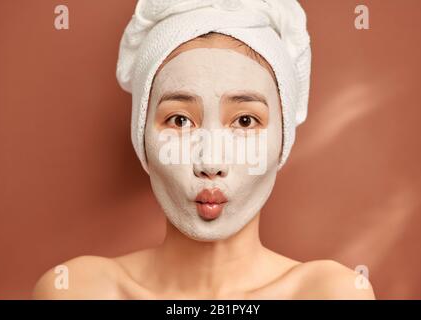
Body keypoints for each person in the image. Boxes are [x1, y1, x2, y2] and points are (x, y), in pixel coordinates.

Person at [33, 0, 375, 300]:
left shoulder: (330, 294)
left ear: (283, 139)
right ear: (142, 138)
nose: (210, 163)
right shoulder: (77, 291)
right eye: (180, 120)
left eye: (244, 121)